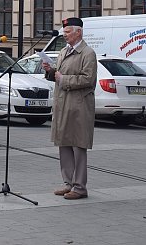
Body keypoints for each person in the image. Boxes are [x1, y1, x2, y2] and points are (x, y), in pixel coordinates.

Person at [42, 17, 97, 200]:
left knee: (78, 145)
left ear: (78, 32)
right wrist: (50, 71)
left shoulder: (87, 53)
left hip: (79, 107)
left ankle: (80, 187)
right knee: (64, 143)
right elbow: (58, 74)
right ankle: (68, 183)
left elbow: (88, 79)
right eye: (64, 32)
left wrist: (62, 78)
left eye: (67, 32)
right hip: (63, 104)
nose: (64, 35)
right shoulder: (64, 51)